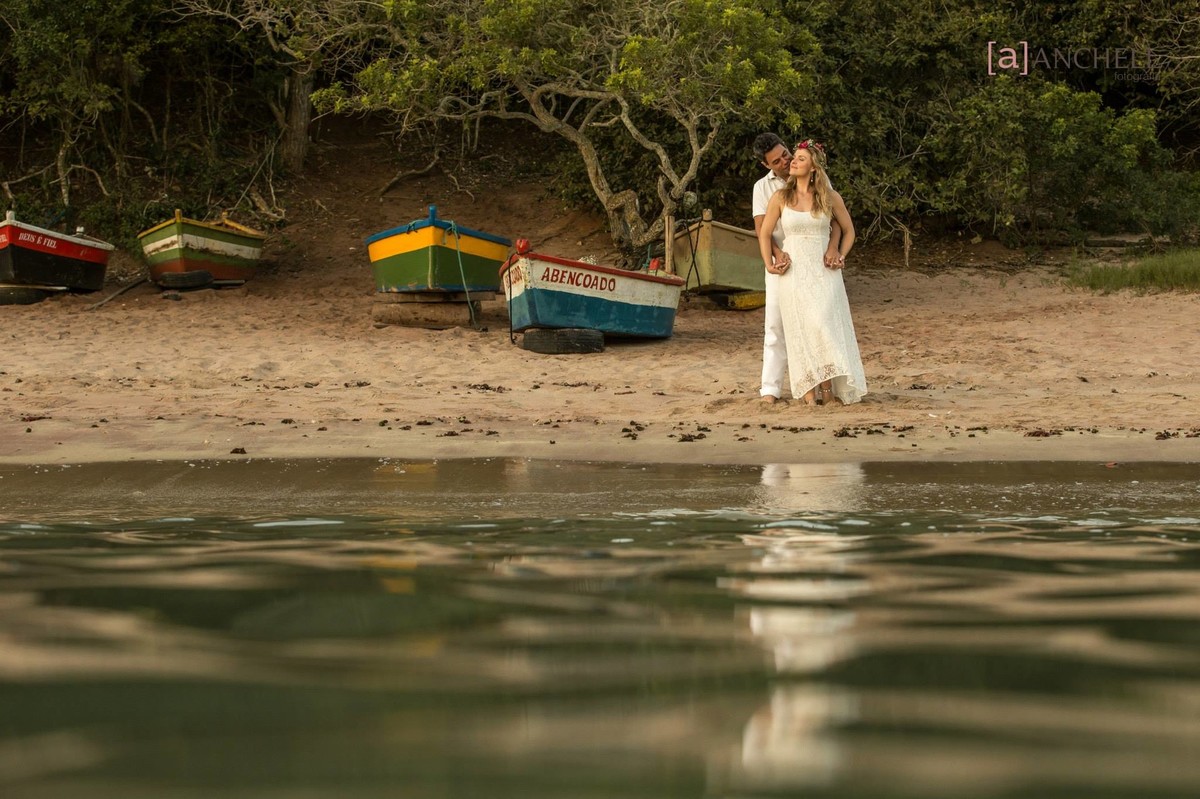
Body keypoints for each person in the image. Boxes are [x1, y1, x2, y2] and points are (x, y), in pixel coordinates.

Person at [756, 139, 866, 407]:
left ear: (814, 167)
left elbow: (847, 229)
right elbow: (764, 232)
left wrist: (839, 253)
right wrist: (770, 261)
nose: (791, 161)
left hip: (822, 269)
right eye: (789, 159)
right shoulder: (777, 195)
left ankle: (827, 390)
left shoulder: (828, 195)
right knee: (798, 329)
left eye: (797, 158)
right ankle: (807, 392)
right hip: (793, 270)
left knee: (823, 326)